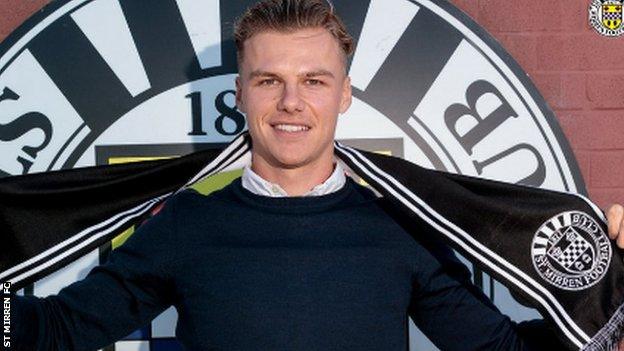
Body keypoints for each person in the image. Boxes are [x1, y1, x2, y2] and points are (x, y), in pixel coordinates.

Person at [9, 0, 624, 350]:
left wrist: (618, 292)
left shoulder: (400, 224)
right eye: (269, 80)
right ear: (241, 94)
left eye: (314, 81)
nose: (291, 103)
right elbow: (57, 332)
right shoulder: (187, 224)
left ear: (344, 95)